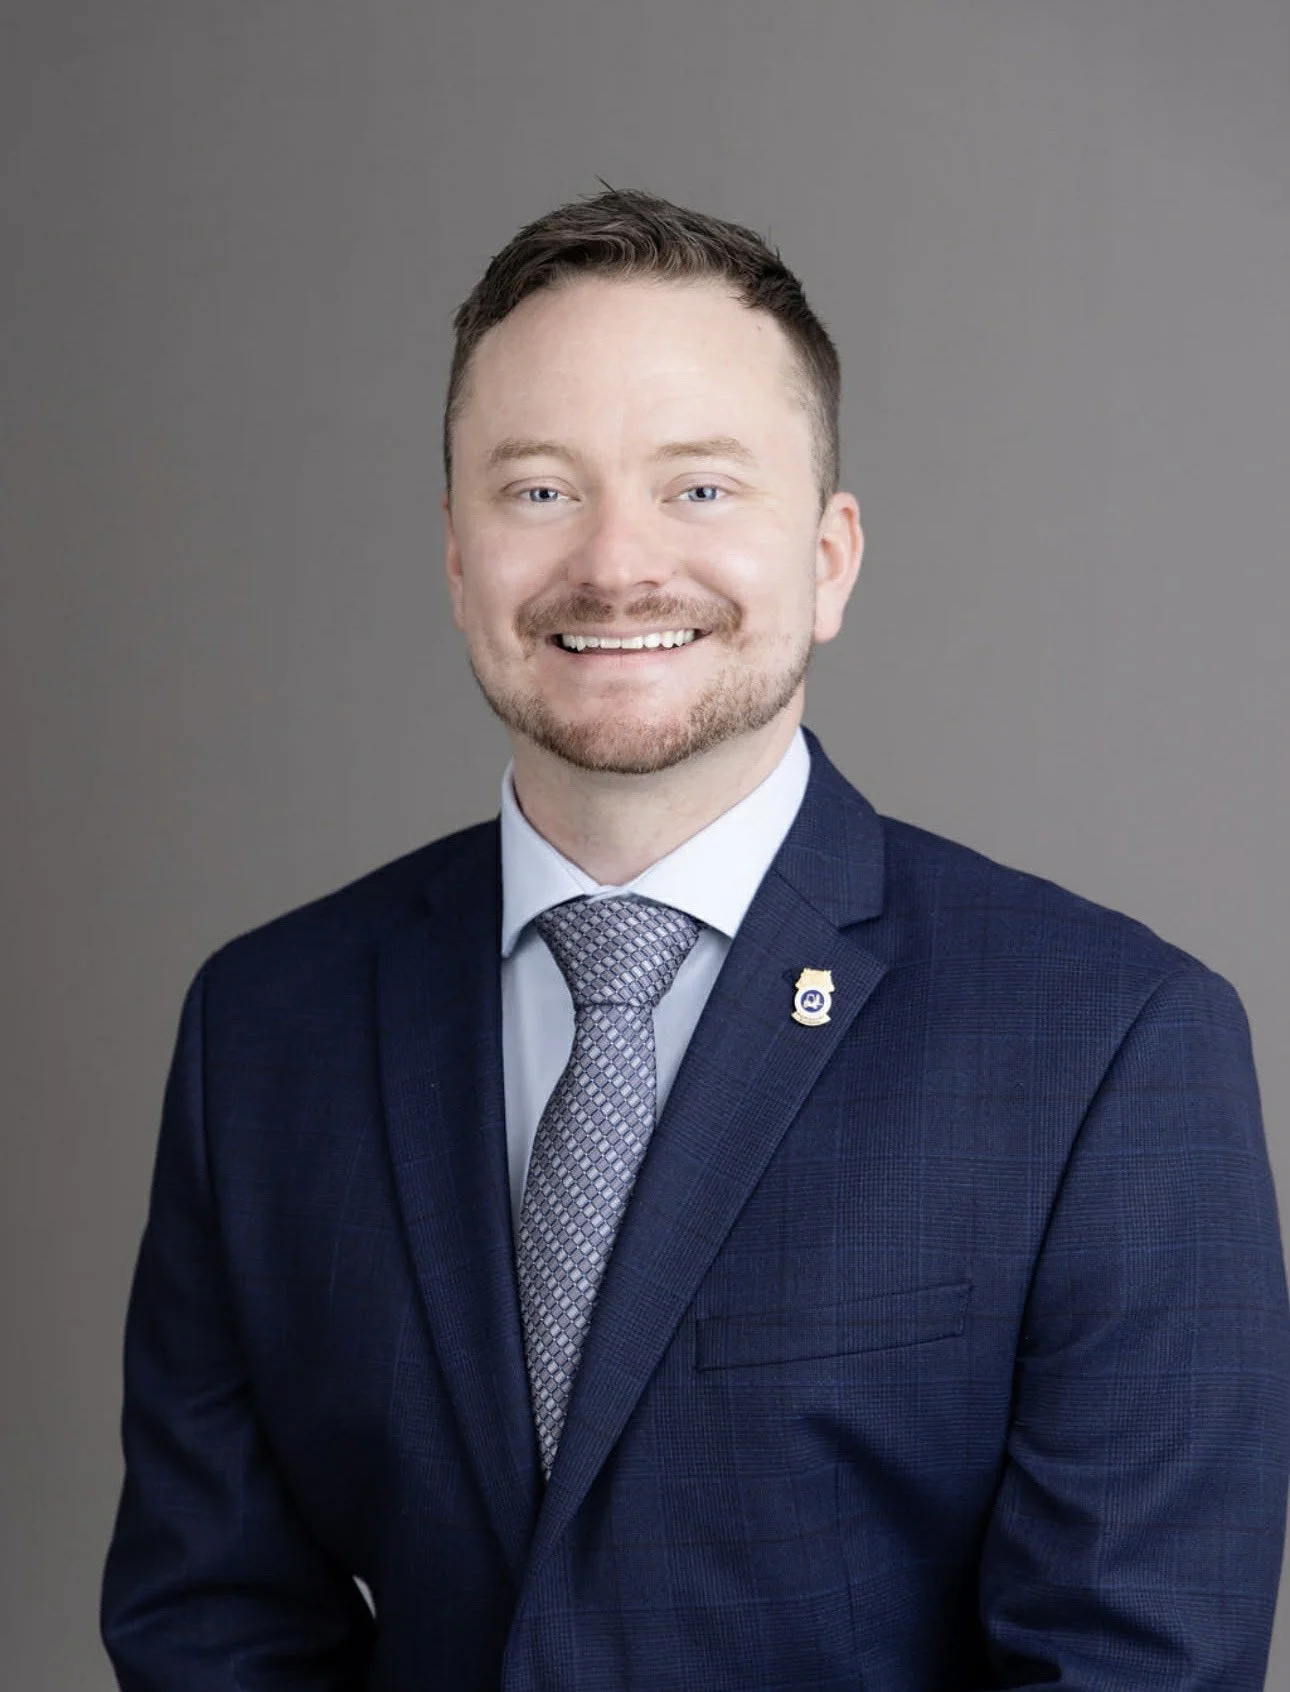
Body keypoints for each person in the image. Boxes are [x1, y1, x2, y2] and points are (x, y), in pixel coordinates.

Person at [101, 187, 1290, 1691]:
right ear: (457, 559)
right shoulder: (264, 1030)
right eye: (538, 490)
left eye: (701, 490)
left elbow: (1138, 1661)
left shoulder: (1110, 1045)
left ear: (830, 558)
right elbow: (212, 1623)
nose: (615, 565)